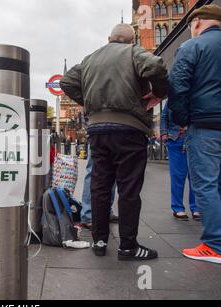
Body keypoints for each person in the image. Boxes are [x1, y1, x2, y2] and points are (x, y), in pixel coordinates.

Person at [60, 23, 168, 261]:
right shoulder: (133, 52)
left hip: (98, 129)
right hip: (129, 128)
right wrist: (157, 94)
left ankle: (99, 241)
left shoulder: (91, 58)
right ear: (131, 41)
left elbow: (67, 81)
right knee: (129, 188)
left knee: (100, 186)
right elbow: (156, 65)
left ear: (109, 38)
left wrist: (89, 102)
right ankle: (128, 247)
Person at [168, 4, 221, 264]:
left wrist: (182, 120)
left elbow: (177, 87)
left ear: (197, 21)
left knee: (207, 184)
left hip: (206, 126)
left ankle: (214, 245)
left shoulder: (193, 47)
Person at [160, 103, 200, 221]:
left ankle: (196, 207)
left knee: (195, 176)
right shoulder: (173, 97)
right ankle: (178, 208)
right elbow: (164, 116)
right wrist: (164, 134)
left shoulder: (196, 94)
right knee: (177, 176)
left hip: (195, 140)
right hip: (175, 140)